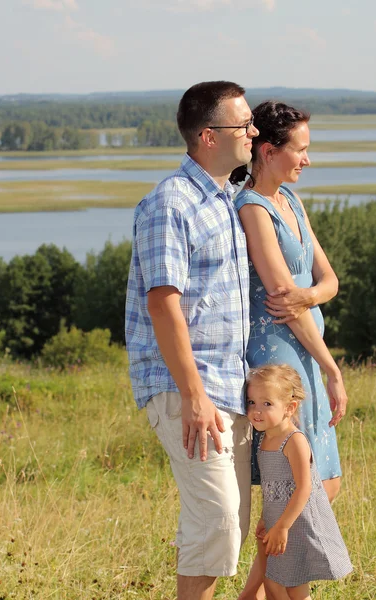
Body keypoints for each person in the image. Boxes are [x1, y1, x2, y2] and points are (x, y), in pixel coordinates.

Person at [125, 81, 259, 600]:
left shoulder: (225, 201)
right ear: (208, 136)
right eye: (242, 124)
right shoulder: (171, 203)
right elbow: (164, 305)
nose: (252, 132)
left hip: (229, 387)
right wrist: (194, 395)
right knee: (219, 520)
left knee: (231, 525)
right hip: (189, 389)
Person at [232, 101, 348, 600]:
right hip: (282, 358)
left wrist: (311, 294)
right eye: (300, 150)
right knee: (290, 491)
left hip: (308, 350)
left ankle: (263, 591)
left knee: (325, 483)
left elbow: (329, 281)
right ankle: (269, 591)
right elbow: (284, 298)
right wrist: (331, 367)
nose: (307, 160)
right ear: (267, 150)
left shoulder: (291, 203)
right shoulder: (253, 207)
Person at [246, 364, 353, 600]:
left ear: (289, 407)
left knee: (293, 588)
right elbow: (272, 489)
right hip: (278, 524)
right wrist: (267, 518)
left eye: (267, 404)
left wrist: (282, 526)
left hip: (296, 525)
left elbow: (304, 488)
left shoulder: (293, 440)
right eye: (252, 402)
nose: (257, 410)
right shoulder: (264, 439)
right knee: (274, 585)